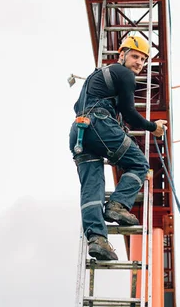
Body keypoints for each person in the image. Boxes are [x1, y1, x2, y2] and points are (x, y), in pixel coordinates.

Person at [69, 35, 166, 261]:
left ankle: (97, 239)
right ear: (121, 55)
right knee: (139, 163)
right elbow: (130, 113)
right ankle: (117, 205)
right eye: (135, 56)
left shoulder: (95, 78)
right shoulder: (124, 74)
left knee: (92, 187)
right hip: (99, 125)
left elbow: (80, 106)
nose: (139, 63)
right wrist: (153, 127)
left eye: (143, 59)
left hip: (78, 134)